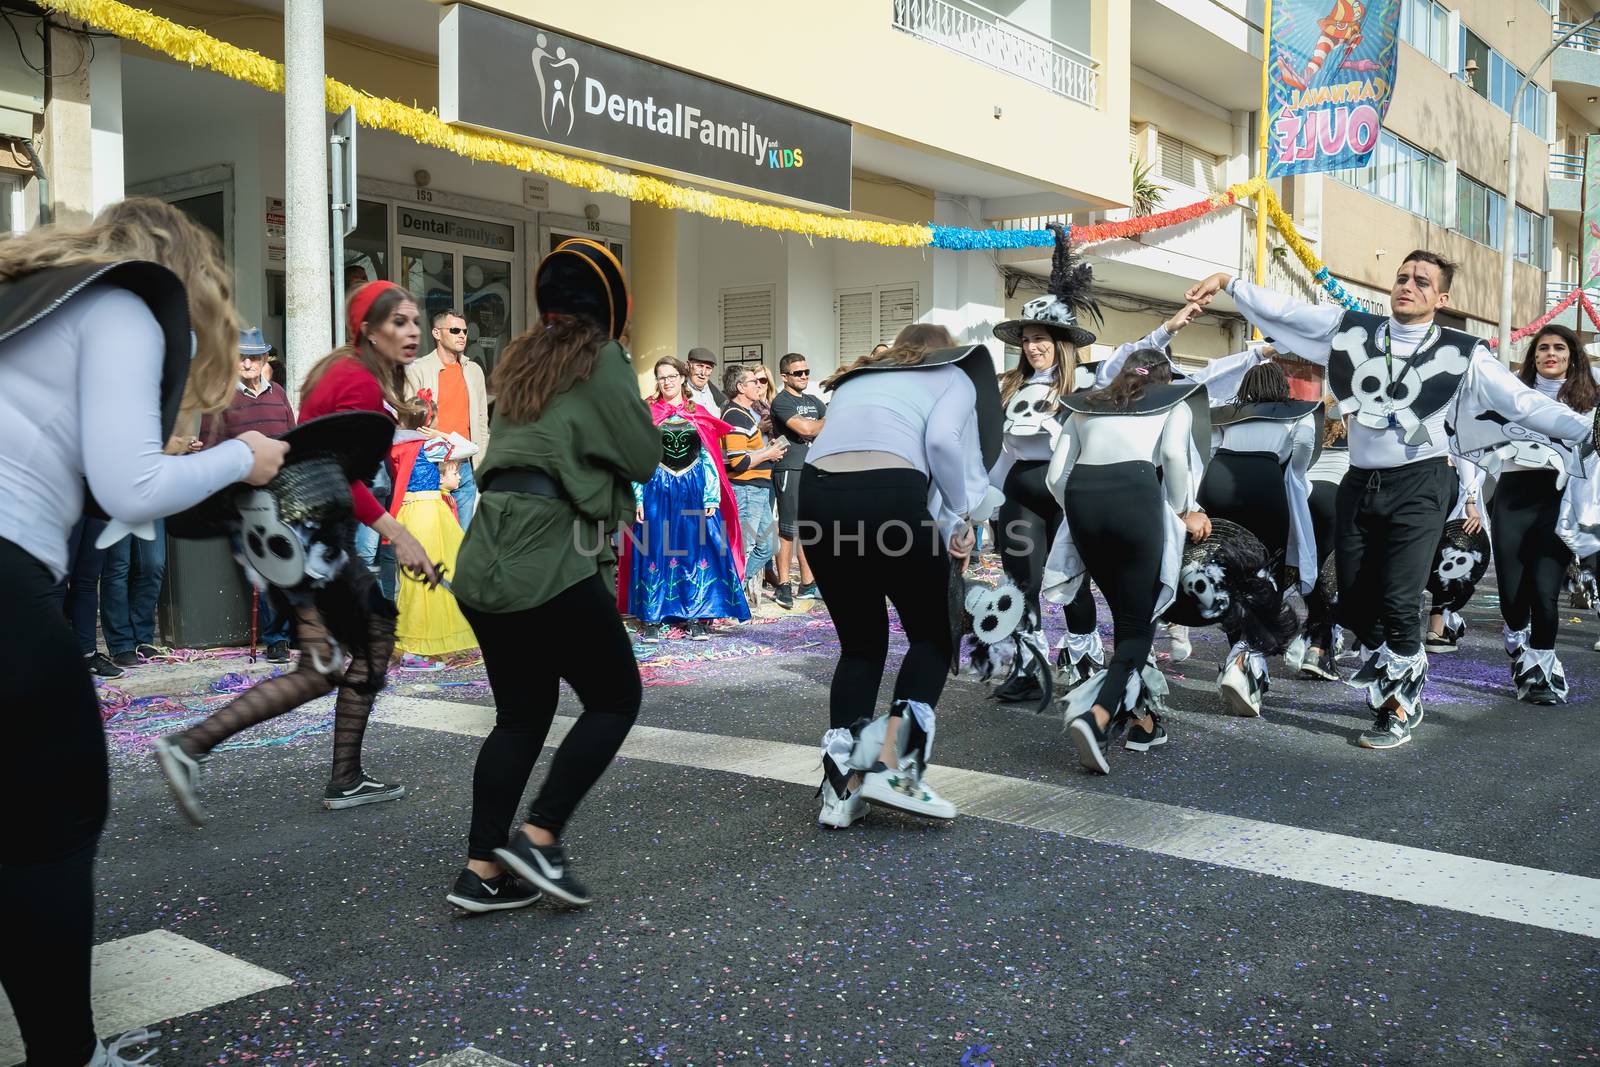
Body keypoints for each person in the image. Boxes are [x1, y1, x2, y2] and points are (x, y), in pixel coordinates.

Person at [0, 196, 288, 1067]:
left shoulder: (29, 303)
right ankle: (66, 1053)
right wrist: (246, 458)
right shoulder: (122, 302)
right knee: (48, 830)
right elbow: (129, 485)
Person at [1187, 252, 1594, 749]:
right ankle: (1391, 665)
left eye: (1422, 282)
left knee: (1402, 599)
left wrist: (1584, 428)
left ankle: (1397, 705)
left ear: (1441, 299)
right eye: (1402, 277)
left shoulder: (1465, 353)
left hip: (1421, 485)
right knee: (1353, 598)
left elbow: (1521, 401)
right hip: (1362, 484)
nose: (1408, 286)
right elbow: (1288, 312)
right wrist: (1231, 282)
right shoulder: (1354, 332)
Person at [154, 282, 441, 822]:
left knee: (326, 662)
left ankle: (198, 747)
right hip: (309, 534)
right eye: (399, 322)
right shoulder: (355, 377)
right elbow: (336, 473)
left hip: (295, 535)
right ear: (369, 329)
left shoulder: (345, 371)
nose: (412, 331)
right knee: (370, 640)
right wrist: (399, 536)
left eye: (413, 321)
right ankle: (328, 773)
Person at [444, 237, 660, 912]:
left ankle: (482, 870)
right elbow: (643, 454)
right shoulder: (603, 357)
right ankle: (539, 835)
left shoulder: (518, 357)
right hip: (550, 544)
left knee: (520, 714)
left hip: (487, 543)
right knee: (615, 697)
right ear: (610, 310)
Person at [988, 227, 1209, 701]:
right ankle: (1030, 670)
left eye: (1041, 338)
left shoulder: (1091, 379)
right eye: (1026, 339)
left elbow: (1132, 357)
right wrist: (981, 504)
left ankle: (1086, 664)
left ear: (1061, 342)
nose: (1032, 347)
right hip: (1021, 494)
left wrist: (1171, 327)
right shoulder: (1008, 385)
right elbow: (1001, 452)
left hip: (1072, 491)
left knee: (1073, 579)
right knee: (1022, 584)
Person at [806, 323, 1002, 828]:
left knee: (861, 645)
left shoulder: (859, 378)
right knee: (933, 636)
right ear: (948, 353)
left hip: (817, 498)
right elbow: (940, 444)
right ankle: (891, 767)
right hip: (890, 498)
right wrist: (959, 516)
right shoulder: (952, 377)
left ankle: (840, 788)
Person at [1044, 348, 1211, 774]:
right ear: (1165, 377)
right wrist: (1180, 510)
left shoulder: (1086, 404)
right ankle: (1097, 716)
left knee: (1128, 616)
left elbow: (1054, 476)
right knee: (1138, 624)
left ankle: (1144, 722)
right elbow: (1174, 457)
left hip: (1082, 501)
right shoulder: (1172, 403)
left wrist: (1083, 510)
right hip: (1135, 498)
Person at [1194, 361, 1318, 716]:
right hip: (1264, 481)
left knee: (1226, 571)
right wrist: (1287, 467)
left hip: (1219, 481)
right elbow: (1304, 450)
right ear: (1282, 386)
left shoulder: (1228, 413)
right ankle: (1245, 659)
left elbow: (1209, 448)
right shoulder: (1298, 412)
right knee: (1265, 572)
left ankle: (1238, 649)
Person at [1484, 324, 1599, 704]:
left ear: (1572, 355)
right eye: (1543, 348)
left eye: (1560, 348)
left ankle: (1542, 675)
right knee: (1513, 597)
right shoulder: (1512, 395)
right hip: (1513, 497)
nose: (1551, 354)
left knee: (1545, 592)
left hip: (1561, 500)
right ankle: (1517, 632)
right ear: (1533, 356)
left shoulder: (1590, 399)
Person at [619, 356, 749, 642]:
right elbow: (637, 457)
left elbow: (709, 456)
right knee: (656, 548)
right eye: (661, 377)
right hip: (656, 488)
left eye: (671, 376)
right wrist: (637, 498)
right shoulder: (647, 411)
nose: (666, 382)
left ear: (681, 377)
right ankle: (652, 617)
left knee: (695, 550)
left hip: (693, 488)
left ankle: (695, 615)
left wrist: (711, 495)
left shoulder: (698, 412)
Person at [199, 326, 298, 661]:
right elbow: (211, 450)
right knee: (263, 567)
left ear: (264, 359)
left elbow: (292, 440)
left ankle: (286, 633)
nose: (247, 363)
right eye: (241, 357)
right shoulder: (221, 398)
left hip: (281, 492)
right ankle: (276, 639)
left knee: (286, 562)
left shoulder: (279, 393)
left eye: (253, 357)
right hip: (244, 496)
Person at [390, 391, 480, 668]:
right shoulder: (432, 447)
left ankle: (412, 638)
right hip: (430, 512)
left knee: (412, 579)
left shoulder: (394, 445)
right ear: (427, 422)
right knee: (440, 574)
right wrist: (438, 433)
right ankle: (433, 641)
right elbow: (470, 448)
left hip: (406, 511)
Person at [406, 308, 490, 529]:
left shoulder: (473, 370)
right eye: (454, 330)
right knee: (432, 535)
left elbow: (482, 419)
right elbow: (409, 419)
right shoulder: (418, 369)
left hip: (464, 465)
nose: (462, 335)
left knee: (462, 539)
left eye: (464, 331)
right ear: (436, 333)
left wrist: (482, 460)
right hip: (431, 463)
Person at [720, 363, 787, 607]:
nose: (759, 385)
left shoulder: (745, 414)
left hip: (757, 488)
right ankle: (728, 596)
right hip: (746, 489)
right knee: (745, 547)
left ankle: (731, 592)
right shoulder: (735, 414)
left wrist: (767, 451)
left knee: (769, 545)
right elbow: (738, 461)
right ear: (740, 387)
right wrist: (768, 453)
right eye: (753, 382)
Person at [1293, 396, 1348, 681]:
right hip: (1335, 497)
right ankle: (1319, 647)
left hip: (1306, 497)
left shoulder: (1312, 443)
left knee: (1311, 574)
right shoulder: (1355, 441)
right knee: (1332, 578)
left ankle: (1315, 644)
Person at [770, 352, 826, 604]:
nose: (804, 376)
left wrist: (821, 423)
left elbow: (831, 422)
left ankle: (807, 583)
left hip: (813, 468)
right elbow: (806, 429)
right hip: (790, 469)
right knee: (788, 529)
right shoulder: (781, 402)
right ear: (784, 376)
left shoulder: (814, 401)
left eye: (806, 372)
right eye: (797, 373)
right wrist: (823, 422)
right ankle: (783, 584)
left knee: (809, 528)